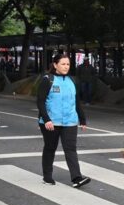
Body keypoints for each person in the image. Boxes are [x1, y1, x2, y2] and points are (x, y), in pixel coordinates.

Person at [36, 52, 90, 187]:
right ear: (55, 65)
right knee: (50, 148)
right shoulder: (47, 79)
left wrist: (82, 119)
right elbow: (40, 101)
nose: (66, 67)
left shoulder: (73, 81)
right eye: (63, 64)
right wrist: (46, 119)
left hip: (70, 121)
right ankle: (47, 176)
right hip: (51, 122)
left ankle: (77, 178)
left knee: (71, 148)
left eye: (68, 64)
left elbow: (76, 102)